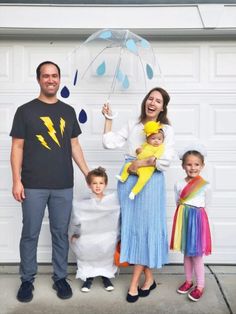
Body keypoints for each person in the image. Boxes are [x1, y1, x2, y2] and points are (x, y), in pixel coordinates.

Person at [10, 61, 89, 302]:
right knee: (30, 233)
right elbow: (17, 147)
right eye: (46, 76)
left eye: (54, 76)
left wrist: (87, 173)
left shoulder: (68, 111)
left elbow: (74, 145)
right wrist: (16, 180)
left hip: (63, 184)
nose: (51, 80)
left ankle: (60, 278)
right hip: (32, 184)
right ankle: (26, 280)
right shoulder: (25, 111)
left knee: (59, 233)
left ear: (59, 79)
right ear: (39, 80)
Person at [102, 87, 175, 303]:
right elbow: (109, 143)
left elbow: (165, 160)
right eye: (150, 98)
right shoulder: (133, 124)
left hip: (150, 182)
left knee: (145, 229)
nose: (152, 103)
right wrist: (108, 119)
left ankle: (134, 283)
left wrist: (140, 163)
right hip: (128, 181)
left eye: (158, 101)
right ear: (145, 101)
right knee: (131, 228)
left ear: (163, 107)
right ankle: (149, 278)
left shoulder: (166, 130)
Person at [170, 147, 212, 302]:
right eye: (189, 164)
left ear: (202, 166)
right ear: (183, 166)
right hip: (184, 219)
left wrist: (198, 220)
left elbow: (207, 204)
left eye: (196, 164)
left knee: (197, 256)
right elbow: (177, 202)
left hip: (198, 220)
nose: (192, 168)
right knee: (187, 253)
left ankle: (200, 286)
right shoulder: (179, 184)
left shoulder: (205, 185)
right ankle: (188, 281)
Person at [69, 167, 120, 293]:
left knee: (106, 253)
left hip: (106, 235)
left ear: (106, 184)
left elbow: (116, 218)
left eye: (101, 183)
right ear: (89, 185)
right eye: (94, 183)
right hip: (89, 235)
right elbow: (77, 219)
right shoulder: (84, 203)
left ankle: (106, 277)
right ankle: (89, 277)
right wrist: (76, 234)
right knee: (88, 252)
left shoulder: (112, 201)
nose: (98, 186)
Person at [116, 120, 165, 200]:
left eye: (159, 139)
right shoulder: (146, 144)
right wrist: (138, 150)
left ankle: (134, 192)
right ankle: (123, 178)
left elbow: (159, 153)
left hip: (148, 168)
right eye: (153, 138)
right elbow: (140, 150)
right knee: (127, 165)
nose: (156, 141)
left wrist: (154, 157)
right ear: (148, 139)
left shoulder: (160, 147)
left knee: (142, 180)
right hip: (137, 164)